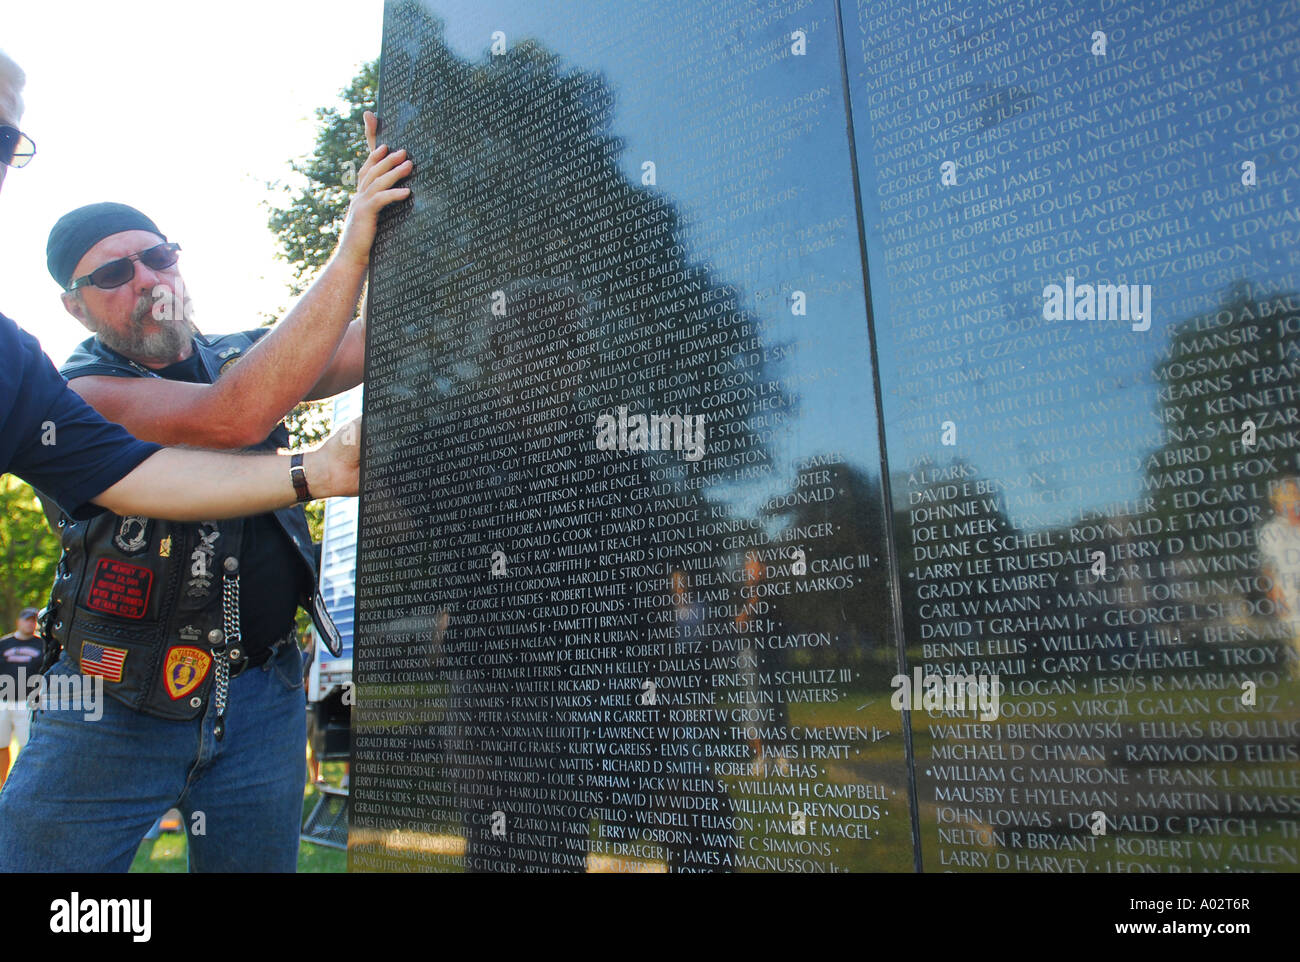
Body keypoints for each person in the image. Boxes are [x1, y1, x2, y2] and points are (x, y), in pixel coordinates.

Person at [0, 48, 379, 872]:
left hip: (262, 694)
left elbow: (375, 346)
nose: (146, 278)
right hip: (109, 699)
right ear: (74, 303)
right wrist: (350, 244)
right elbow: (230, 415)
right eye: (112, 272)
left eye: (158, 255)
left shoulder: (247, 354)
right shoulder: (80, 389)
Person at [0, 608, 42, 787]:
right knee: (1, 745)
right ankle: (2, 785)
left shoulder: (43, 645)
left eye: (33, 620)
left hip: (27, 702)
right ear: (19, 621)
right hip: (2, 702)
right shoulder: (4, 644)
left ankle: (20, 785)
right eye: (27, 620)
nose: (30, 623)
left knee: (26, 747)